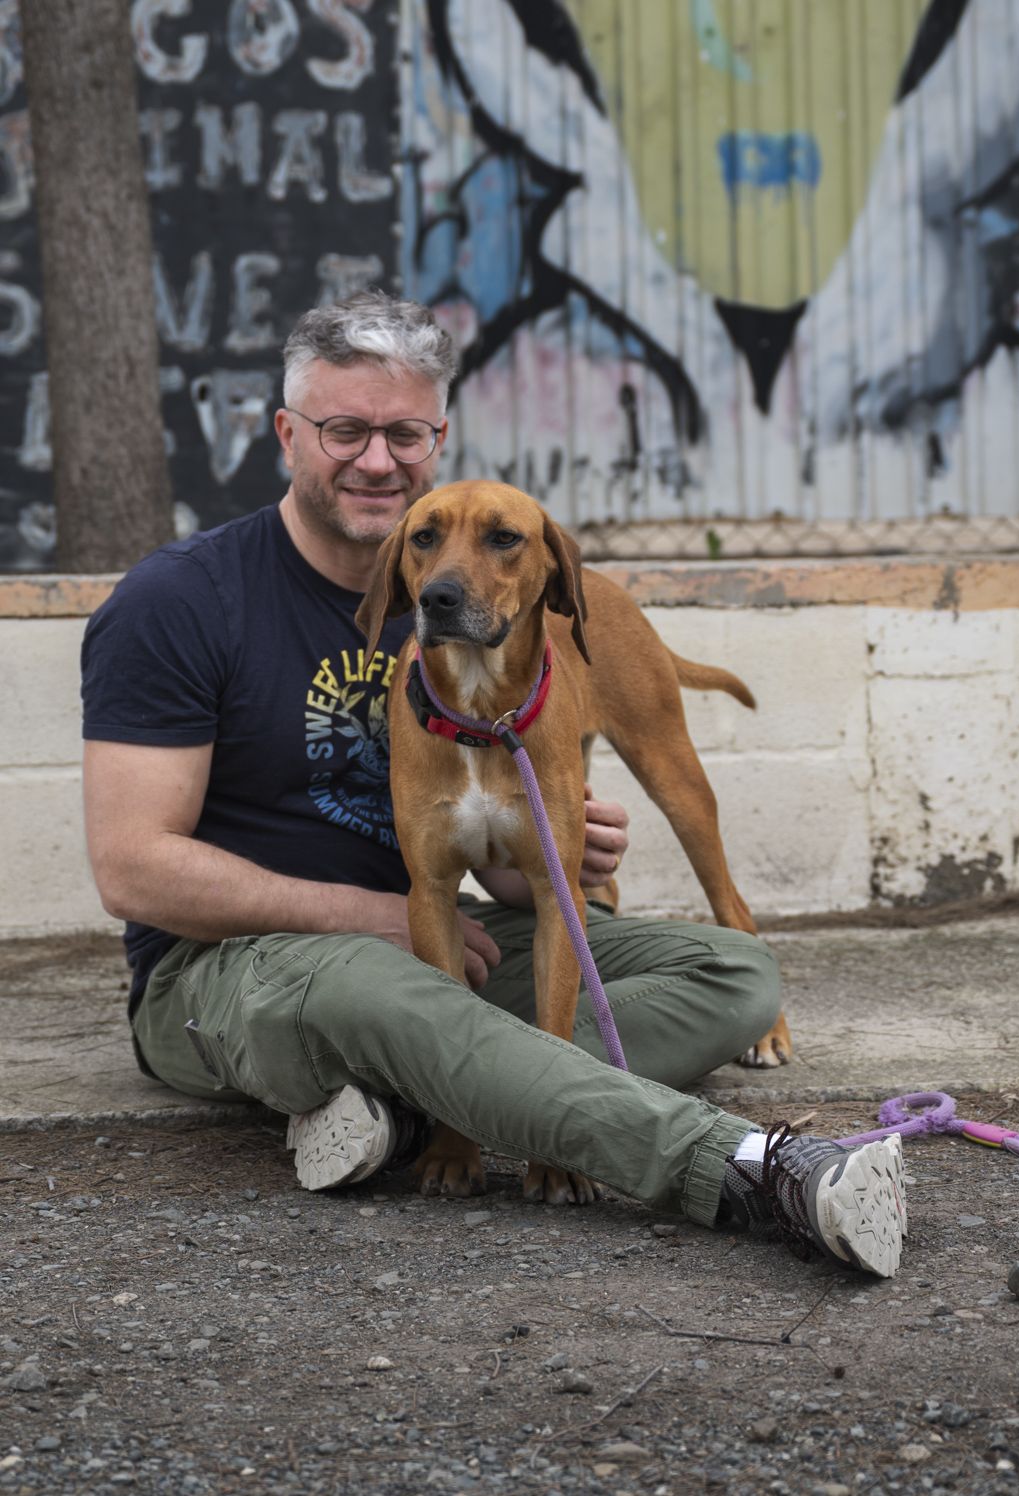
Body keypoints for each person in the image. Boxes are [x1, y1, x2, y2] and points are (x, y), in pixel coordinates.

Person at [81, 291, 907, 1277]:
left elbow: (494, 871)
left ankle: (414, 1104)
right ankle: (745, 1167)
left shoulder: (494, 612)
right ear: (287, 435)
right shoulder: (178, 601)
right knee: (385, 988)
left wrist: (541, 855)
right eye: (344, 431)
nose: (376, 460)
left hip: (440, 945)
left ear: (438, 441)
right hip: (233, 970)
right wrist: (366, 916)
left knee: (731, 976)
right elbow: (132, 869)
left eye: (404, 434)